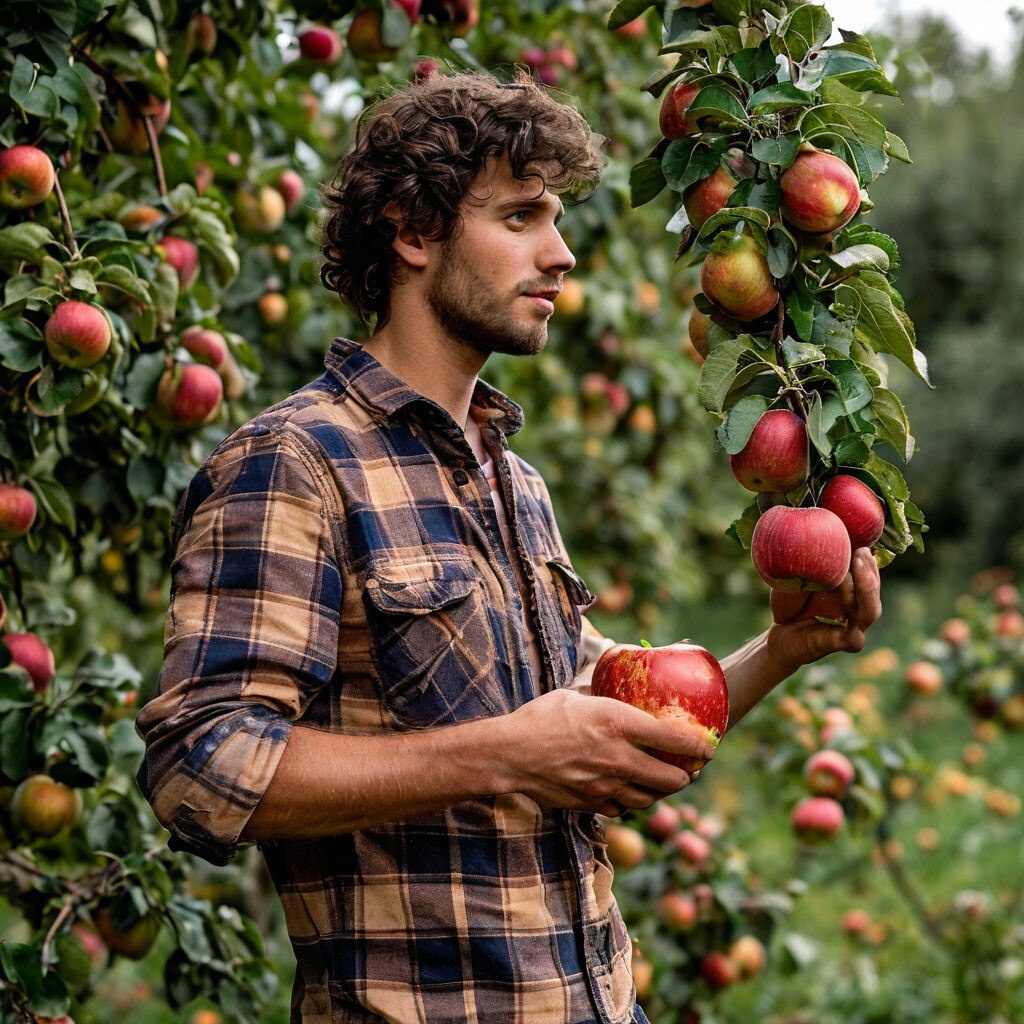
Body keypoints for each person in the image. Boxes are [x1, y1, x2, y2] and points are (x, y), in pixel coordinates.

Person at [136, 70, 881, 1024]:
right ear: (414, 231)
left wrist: (782, 650)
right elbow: (200, 764)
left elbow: (598, 727)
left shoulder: (511, 480)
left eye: (557, 219)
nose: (563, 254)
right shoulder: (295, 464)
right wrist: (503, 757)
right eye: (523, 216)